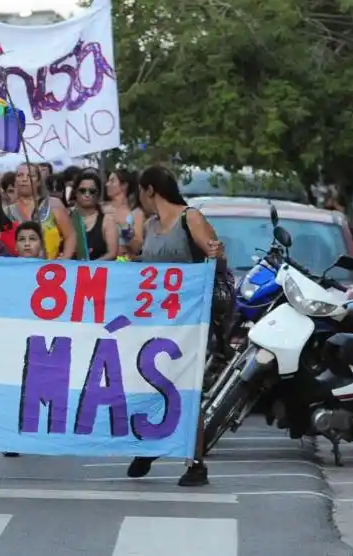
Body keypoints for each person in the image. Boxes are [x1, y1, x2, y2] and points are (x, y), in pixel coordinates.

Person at [127, 165, 225, 488]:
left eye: (140, 192)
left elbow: (216, 257)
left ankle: (195, 463)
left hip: (189, 320)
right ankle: (153, 443)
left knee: (187, 386)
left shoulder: (189, 218)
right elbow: (147, 267)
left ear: (150, 190)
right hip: (156, 320)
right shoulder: (152, 226)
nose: (140, 199)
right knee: (149, 381)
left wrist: (215, 253)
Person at [5, 163, 76, 259]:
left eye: (30, 175)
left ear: (38, 181)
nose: (24, 179)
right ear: (15, 181)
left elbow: (70, 236)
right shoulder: (7, 212)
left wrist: (65, 258)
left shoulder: (53, 204)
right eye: (20, 175)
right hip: (17, 270)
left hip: (49, 269)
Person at [72, 169, 119, 260]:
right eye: (82, 190)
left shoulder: (107, 221)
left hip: (98, 272)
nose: (87, 194)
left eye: (92, 191)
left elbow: (112, 253)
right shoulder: (68, 218)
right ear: (76, 193)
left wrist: (90, 267)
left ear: (98, 194)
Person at [105, 168, 144, 257]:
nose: (107, 184)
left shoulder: (135, 213)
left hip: (123, 265)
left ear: (124, 185)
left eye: (112, 181)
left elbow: (137, 247)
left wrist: (123, 225)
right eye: (108, 181)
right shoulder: (102, 209)